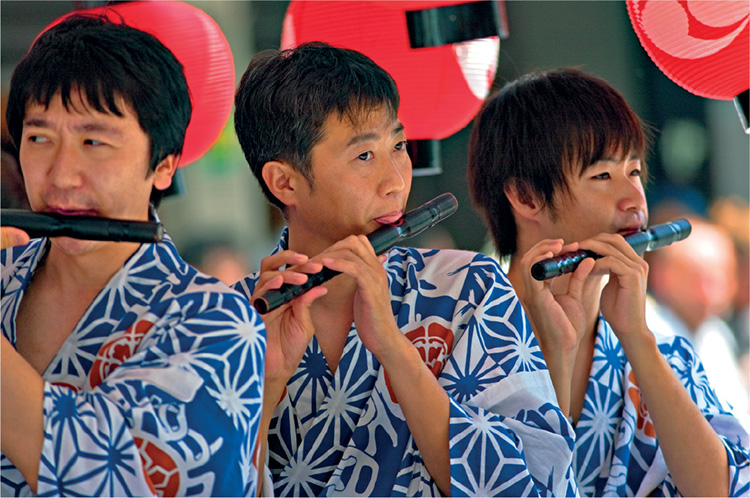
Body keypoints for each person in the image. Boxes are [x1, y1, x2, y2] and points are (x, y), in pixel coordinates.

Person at [232, 41, 578, 496]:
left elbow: (531, 482)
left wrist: (395, 349)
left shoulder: (468, 288)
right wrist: (268, 381)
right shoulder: (232, 318)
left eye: (398, 145)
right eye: (364, 156)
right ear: (285, 181)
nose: (396, 180)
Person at [1, 15, 266, 497]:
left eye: (93, 142)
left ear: (163, 165)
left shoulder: (217, 322)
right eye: (39, 138)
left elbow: (114, 478)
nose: (62, 174)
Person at [466, 67, 750, 496]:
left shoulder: (663, 354)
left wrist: (636, 337)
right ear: (526, 197)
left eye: (634, 172)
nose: (634, 200)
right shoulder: (459, 336)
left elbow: (721, 490)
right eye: (602, 176)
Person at [646, 214, 749, 426]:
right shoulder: (648, 330)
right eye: (698, 278)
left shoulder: (716, 332)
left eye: (720, 276)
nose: (710, 291)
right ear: (662, 276)